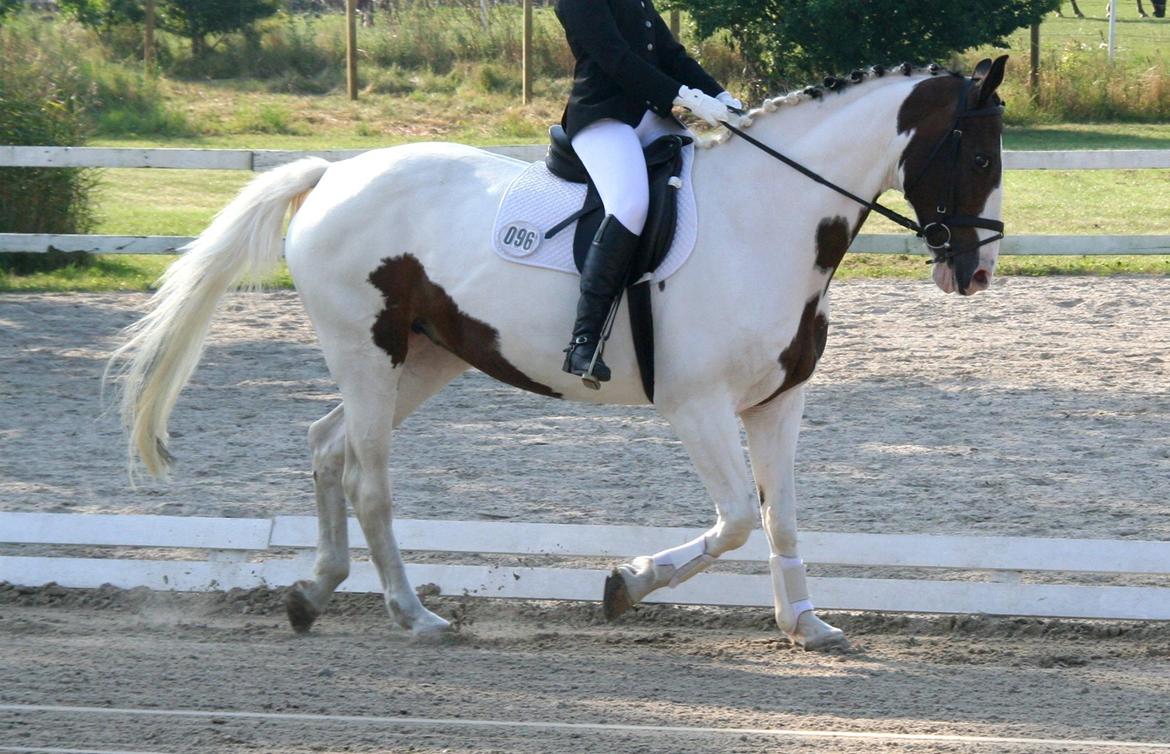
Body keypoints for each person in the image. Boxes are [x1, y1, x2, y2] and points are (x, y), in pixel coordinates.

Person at [555, 0, 742, 386]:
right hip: (602, 117)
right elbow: (614, 56)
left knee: (712, 182)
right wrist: (682, 96)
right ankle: (584, 340)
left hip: (651, 117)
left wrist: (719, 95)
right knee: (630, 204)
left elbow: (671, 54)